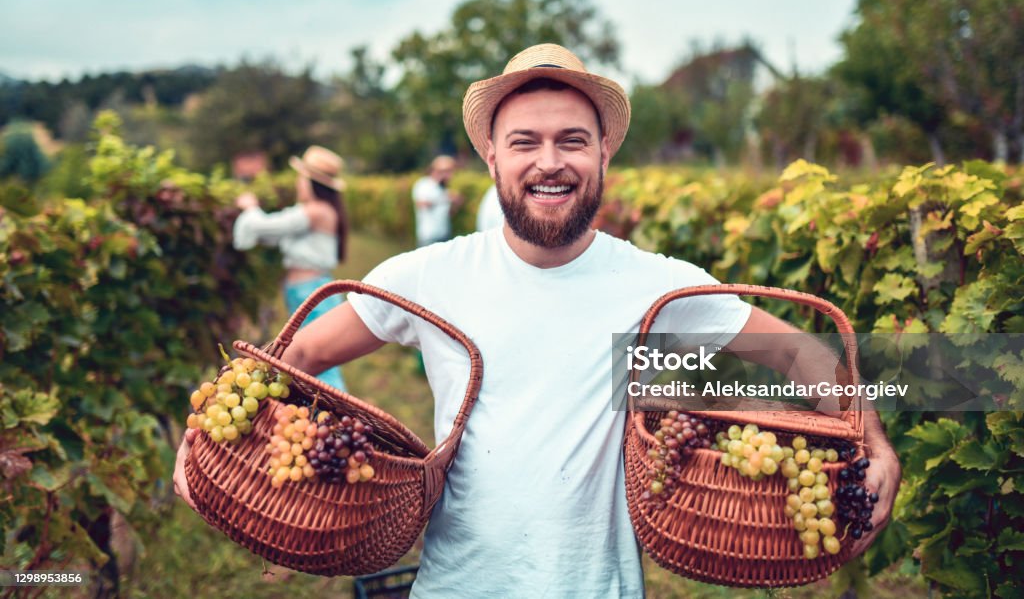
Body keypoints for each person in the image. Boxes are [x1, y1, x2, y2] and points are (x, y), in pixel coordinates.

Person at [176, 44, 900, 597]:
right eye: (524, 142)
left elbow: (803, 355)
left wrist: (873, 440)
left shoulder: (662, 290)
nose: (548, 162)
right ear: (490, 154)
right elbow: (297, 354)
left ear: (604, 151)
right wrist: (208, 444)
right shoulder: (425, 278)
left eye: (572, 141)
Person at [232, 145, 350, 392]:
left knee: (321, 358)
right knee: (316, 357)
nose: (298, 183)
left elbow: (267, 227)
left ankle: (336, 418)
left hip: (312, 293)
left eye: (301, 177)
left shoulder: (316, 211)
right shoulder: (318, 211)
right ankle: (329, 417)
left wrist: (250, 207)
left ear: (311, 182)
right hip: (308, 291)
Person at [412, 155, 459, 246]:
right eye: (449, 172)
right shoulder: (424, 184)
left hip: (444, 236)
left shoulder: (442, 189)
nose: (451, 176)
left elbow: (447, 214)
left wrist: (455, 204)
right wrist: (446, 199)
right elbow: (421, 204)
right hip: (429, 237)